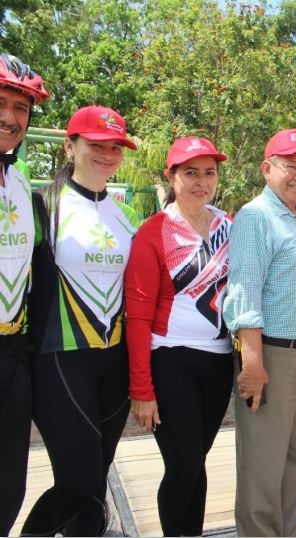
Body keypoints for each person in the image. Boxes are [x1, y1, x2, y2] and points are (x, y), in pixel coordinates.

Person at [22, 105, 140, 536]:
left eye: (115, 147)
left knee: (95, 481)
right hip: (59, 357)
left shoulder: (127, 216)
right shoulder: (42, 206)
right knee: (79, 480)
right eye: (96, 145)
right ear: (70, 147)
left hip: (115, 361)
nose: (107, 154)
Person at [223, 128, 296, 537]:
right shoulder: (256, 217)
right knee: (263, 467)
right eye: (291, 167)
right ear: (267, 168)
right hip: (272, 356)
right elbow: (245, 293)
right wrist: (253, 366)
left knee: (295, 459)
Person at [125, 137, 233, 536]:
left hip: (219, 360)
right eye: (190, 173)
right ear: (171, 177)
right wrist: (142, 389)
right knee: (183, 464)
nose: (201, 182)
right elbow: (137, 317)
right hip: (170, 360)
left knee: (197, 461)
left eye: (209, 173)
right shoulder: (153, 232)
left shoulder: (229, 226)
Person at [0, 53, 49, 536]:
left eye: (20, 107)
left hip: (13, 350)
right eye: (0, 103)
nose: (10, 118)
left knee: (10, 486)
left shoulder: (19, 181)